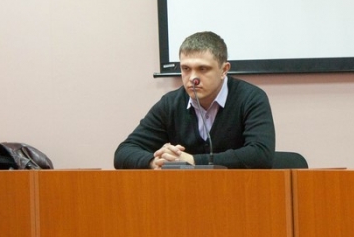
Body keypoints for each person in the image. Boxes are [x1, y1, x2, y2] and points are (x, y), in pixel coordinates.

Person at [114, 31, 275, 169]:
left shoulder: (251, 98)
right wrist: (155, 162)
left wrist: (192, 161)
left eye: (202, 69)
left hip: (239, 191)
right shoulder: (171, 103)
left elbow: (261, 154)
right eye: (186, 69)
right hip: (185, 192)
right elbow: (124, 152)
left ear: (224, 70)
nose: (193, 78)